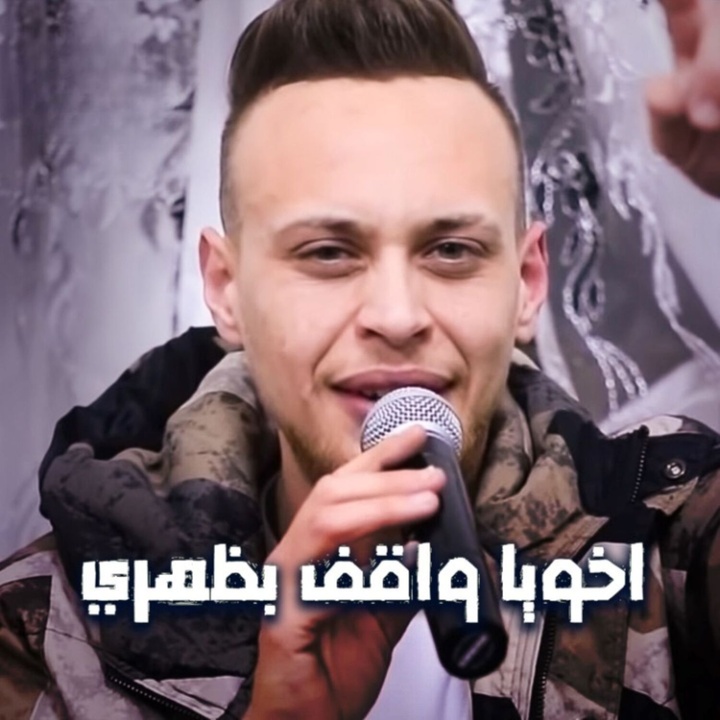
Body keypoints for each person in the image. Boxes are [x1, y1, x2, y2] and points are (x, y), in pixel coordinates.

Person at [1, 0, 719, 718]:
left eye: (451, 250)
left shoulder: (671, 535)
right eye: (328, 253)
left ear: (528, 283)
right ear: (226, 290)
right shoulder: (45, 629)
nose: (397, 317)